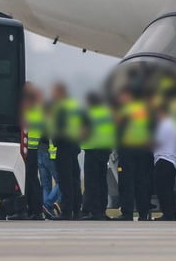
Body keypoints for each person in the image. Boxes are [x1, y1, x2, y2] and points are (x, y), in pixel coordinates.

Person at [49, 82, 85, 220]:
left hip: (63, 147)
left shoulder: (61, 108)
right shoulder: (74, 106)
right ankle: (77, 210)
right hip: (74, 146)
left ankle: (66, 211)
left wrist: (56, 142)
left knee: (65, 181)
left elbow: (58, 129)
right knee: (75, 180)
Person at [115, 90, 153, 221]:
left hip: (128, 149)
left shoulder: (125, 111)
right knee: (142, 183)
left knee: (126, 183)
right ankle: (144, 213)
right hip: (143, 150)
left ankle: (127, 212)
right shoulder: (144, 109)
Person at [10, 82, 44, 220]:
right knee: (33, 181)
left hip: (26, 148)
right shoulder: (38, 108)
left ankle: (23, 210)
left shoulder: (27, 109)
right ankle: (35, 210)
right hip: (33, 148)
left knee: (24, 180)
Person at [81, 92, 115, 220]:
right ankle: (102, 209)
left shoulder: (89, 114)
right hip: (104, 150)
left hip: (92, 150)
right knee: (102, 182)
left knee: (91, 182)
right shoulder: (107, 114)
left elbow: (83, 133)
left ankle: (94, 212)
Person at [152, 102, 176, 221]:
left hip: (163, 159)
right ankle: (171, 213)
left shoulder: (164, 125)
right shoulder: (173, 124)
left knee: (162, 189)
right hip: (171, 160)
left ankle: (167, 214)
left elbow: (157, 141)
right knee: (169, 188)